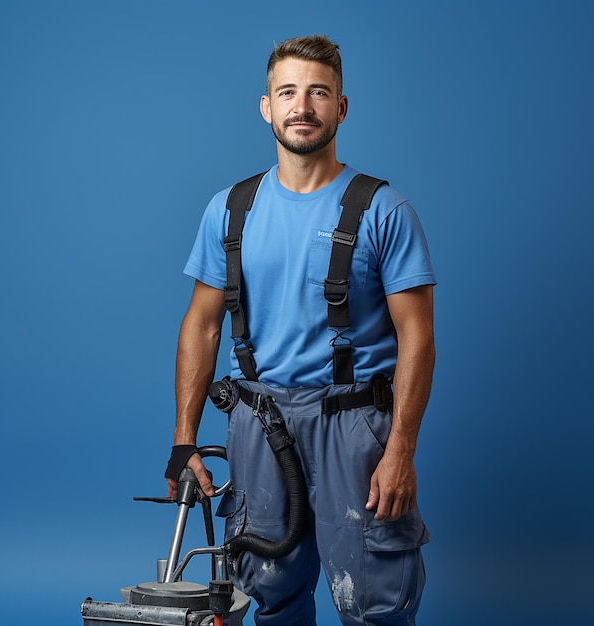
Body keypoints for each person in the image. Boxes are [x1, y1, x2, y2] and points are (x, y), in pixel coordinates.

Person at [165, 35, 436, 626]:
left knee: (374, 600)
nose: (302, 106)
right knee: (269, 593)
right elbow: (202, 324)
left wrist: (401, 452)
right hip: (258, 423)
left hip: (353, 427)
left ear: (341, 107)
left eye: (319, 92)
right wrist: (185, 439)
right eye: (287, 92)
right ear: (267, 107)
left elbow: (417, 337)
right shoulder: (230, 209)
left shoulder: (384, 211)